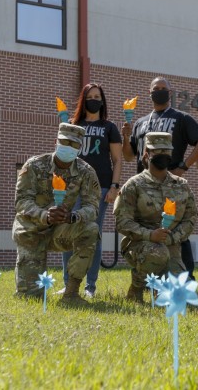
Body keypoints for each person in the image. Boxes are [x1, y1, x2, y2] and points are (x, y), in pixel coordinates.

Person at [121, 76, 198, 280]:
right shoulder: (140, 122)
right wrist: (126, 137)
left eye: (163, 89)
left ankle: (186, 278)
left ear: (170, 94)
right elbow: (128, 155)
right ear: (149, 92)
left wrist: (184, 166)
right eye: (156, 88)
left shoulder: (181, 117)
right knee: (145, 228)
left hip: (171, 184)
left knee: (176, 230)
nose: (159, 91)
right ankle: (146, 277)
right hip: (144, 186)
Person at [12, 123, 100, 304]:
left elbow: (92, 207)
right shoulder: (35, 165)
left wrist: (73, 216)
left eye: (74, 145)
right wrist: (45, 215)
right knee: (31, 298)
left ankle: (71, 293)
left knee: (91, 229)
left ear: (80, 148)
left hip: (59, 231)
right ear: (56, 142)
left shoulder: (86, 172)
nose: (68, 147)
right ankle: (29, 287)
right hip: (31, 232)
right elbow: (21, 201)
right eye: (64, 142)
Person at [114, 132, 197, 302]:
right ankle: (136, 289)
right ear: (146, 154)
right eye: (157, 152)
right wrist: (150, 235)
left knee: (184, 298)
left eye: (166, 152)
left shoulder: (181, 185)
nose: (162, 156)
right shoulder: (134, 185)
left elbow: (191, 218)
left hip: (171, 247)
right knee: (157, 254)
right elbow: (122, 221)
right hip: (139, 245)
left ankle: (159, 287)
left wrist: (172, 237)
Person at [59, 83, 122, 298]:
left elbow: (117, 160)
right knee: (69, 232)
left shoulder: (109, 127)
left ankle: (90, 286)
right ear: (83, 100)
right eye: (90, 96)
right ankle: (68, 283)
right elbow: (62, 157)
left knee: (93, 234)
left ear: (102, 101)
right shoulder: (73, 124)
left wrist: (114, 186)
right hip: (73, 187)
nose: (94, 99)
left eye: (98, 96)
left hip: (100, 187)